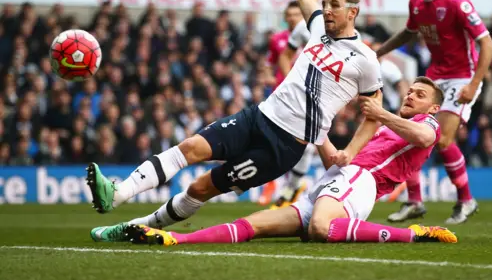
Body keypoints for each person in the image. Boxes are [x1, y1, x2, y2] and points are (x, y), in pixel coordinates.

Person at [89, 0, 385, 241]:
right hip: (257, 117)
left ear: (353, 12)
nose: (326, 9)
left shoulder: (365, 59)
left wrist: (350, 151)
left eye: (334, 5)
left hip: (282, 147)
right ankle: (118, 192)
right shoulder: (318, 28)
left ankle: (137, 228)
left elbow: (374, 113)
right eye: (326, 3)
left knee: (200, 188)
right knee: (190, 147)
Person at [123, 77, 458, 245]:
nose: (412, 95)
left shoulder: (425, 124)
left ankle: (411, 234)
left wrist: (381, 113)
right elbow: (335, 159)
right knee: (254, 224)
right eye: (411, 91)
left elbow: (430, 140)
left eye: (420, 94)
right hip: (336, 180)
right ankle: (176, 239)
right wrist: (319, 129)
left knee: (320, 228)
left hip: (360, 183)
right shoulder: (385, 128)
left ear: (432, 108)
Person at [376, 0, 492, 224]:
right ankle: (415, 201)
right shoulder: (416, 2)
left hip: (461, 77)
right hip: (433, 77)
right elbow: (408, 31)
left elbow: (487, 44)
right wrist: (379, 52)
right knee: (410, 132)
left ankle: (466, 200)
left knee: (442, 140)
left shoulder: (457, 3)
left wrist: (474, 84)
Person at [261, 0, 315, 209]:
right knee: (276, 140)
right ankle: (285, 185)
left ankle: (291, 186)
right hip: (281, 96)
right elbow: (269, 63)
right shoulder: (277, 40)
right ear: (285, 18)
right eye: (290, 14)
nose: (293, 18)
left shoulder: (313, 36)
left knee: (307, 144)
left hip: (307, 98)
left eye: (296, 14)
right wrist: (268, 76)